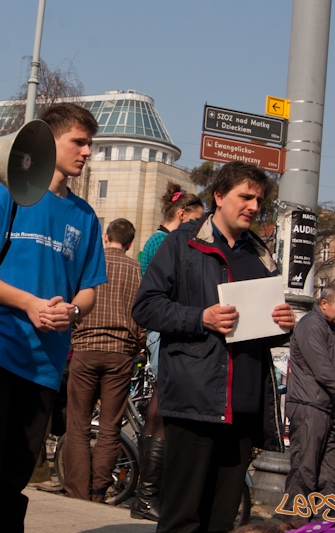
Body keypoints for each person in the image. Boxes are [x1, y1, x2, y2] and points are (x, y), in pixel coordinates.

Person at [0, 102, 107, 532]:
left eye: (90, 143)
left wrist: (73, 310)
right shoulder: (7, 196)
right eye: (79, 141)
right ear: (49, 141)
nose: (87, 152)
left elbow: (89, 289)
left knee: (13, 479)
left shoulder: (86, 217)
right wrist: (27, 303)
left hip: (44, 363)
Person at [132, 160, 296, 533]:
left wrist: (282, 326)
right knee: (181, 518)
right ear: (219, 197)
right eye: (246, 197)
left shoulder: (260, 256)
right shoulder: (183, 242)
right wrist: (200, 318)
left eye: (259, 200)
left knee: (222, 520)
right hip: (195, 400)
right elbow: (145, 306)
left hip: (242, 407)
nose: (254, 206)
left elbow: (263, 332)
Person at [131, 181, 204, 520]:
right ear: (182, 214)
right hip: (165, 329)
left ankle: (148, 494)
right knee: (161, 406)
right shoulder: (165, 241)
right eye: (196, 220)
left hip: (164, 328)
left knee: (162, 406)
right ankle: (146, 496)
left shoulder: (158, 240)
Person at [63, 218, 147, 502]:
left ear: (105, 237)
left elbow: (70, 304)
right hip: (121, 353)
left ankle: (77, 490)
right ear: (130, 243)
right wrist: (136, 345)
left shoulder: (88, 264)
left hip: (85, 349)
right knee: (110, 426)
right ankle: (99, 490)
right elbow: (143, 316)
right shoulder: (136, 270)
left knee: (78, 424)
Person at [283, 284, 335, 522]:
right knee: (304, 473)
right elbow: (322, 369)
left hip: (323, 408)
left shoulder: (330, 327)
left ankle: (325, 525)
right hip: (308, 405)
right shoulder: (311, 325)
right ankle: (292, 525)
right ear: (324, 304)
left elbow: (334, 368)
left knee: (332, 476)